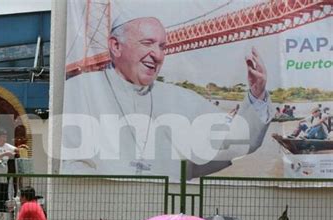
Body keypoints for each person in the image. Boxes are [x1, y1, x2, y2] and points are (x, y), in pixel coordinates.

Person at [61, 13, 272, 180]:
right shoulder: (79, 90)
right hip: (102, 216)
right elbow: (67, 165)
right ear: (115, 46)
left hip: (165, 218)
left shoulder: (181, 98)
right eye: (148, 43)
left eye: (162, 47)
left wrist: (256, 94)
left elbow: (235, 142)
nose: (158, 55)